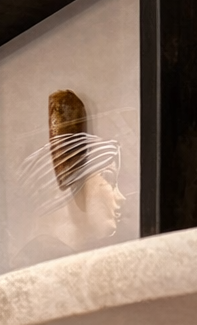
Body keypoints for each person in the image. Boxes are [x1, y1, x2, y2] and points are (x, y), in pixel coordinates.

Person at [13, 88, 125, 268]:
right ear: (73, 183)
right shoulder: (41, 265)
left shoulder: (80, 263)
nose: (121, 197)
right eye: (108, 179)